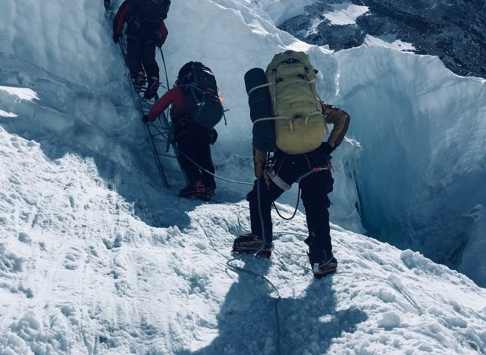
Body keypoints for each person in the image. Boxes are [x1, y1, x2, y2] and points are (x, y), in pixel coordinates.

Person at [233, 50, 350, 278]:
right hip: (316, 160)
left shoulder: (274, 107)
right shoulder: (315, 106)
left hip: (287, 161)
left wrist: (260, 171)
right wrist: (329, 146)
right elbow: (343, 117)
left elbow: (261, 135)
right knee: (316, 207)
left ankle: (262, 240)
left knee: (259, 196)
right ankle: (322, 258)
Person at [143, 61, 223, 200]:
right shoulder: (205, 92)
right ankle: (209, 187)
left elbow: (160, 104)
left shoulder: (180, 90)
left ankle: (196, 184)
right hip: (203, 129)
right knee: (204, 158)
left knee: (188, 155)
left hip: (184, 127)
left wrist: (150, 117)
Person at [113, 0, 170, 99]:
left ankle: (138, 75)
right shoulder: (155, 8)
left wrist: (117, 33)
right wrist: (159, 41)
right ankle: (153, 79)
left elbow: (120, 18)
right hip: (150, 37)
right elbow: (164, 31)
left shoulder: (131, 3)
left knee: (133, 55)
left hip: (135, 33)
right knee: (149, 60)